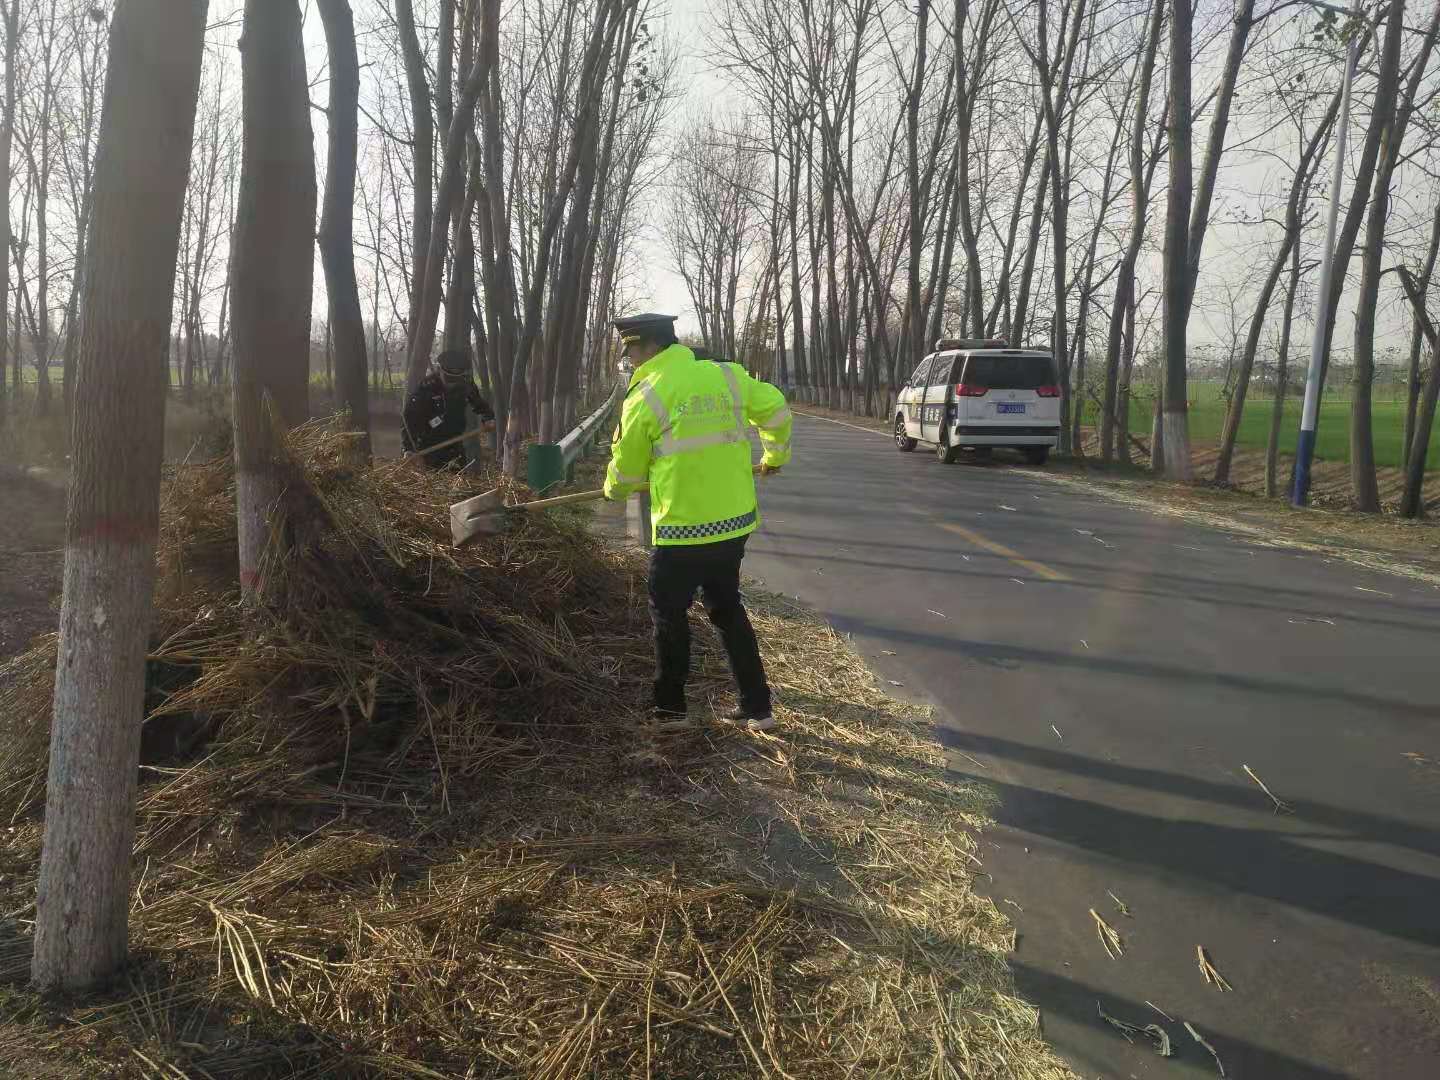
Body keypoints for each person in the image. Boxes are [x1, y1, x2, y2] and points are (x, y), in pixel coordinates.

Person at [603, 313, 793, 731]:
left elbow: (627, 472)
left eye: (631, 350)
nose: (630, 359)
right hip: (733, 525)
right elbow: (777, 410)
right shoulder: (726, 375)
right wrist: (774, 455)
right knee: (727, 609)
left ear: (650, 346)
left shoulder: (647, 393)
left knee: (668, 615)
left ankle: (670, 711)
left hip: (682, 529)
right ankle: (758, 708)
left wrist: (612, 490)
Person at [402, 349, 494, 468]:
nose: (452, 384)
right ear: (439, 370)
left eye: (456, 379)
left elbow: (479, 403)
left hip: (454, 444)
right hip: (428, 447)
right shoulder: (425, 389)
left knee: (457, 476)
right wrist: (409, 449)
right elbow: (409, 420)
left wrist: (488, 417)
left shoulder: (466, 385)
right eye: (449, 378)